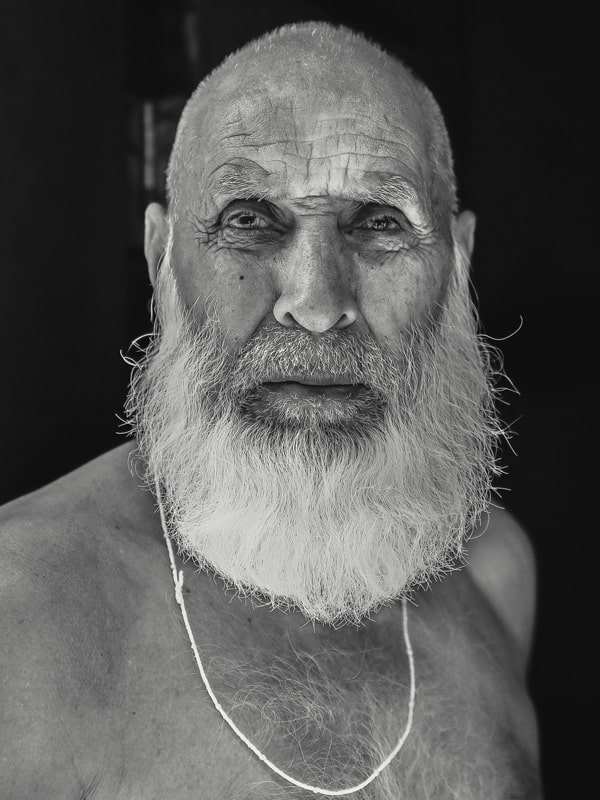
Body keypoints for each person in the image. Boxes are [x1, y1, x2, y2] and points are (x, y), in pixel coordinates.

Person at [0, 21, 543, 800]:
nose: (318, 305)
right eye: (249, 220)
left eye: (380, 224)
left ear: (457, 265)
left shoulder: (494, 574)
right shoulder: (20, 618)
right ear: (161, 260)